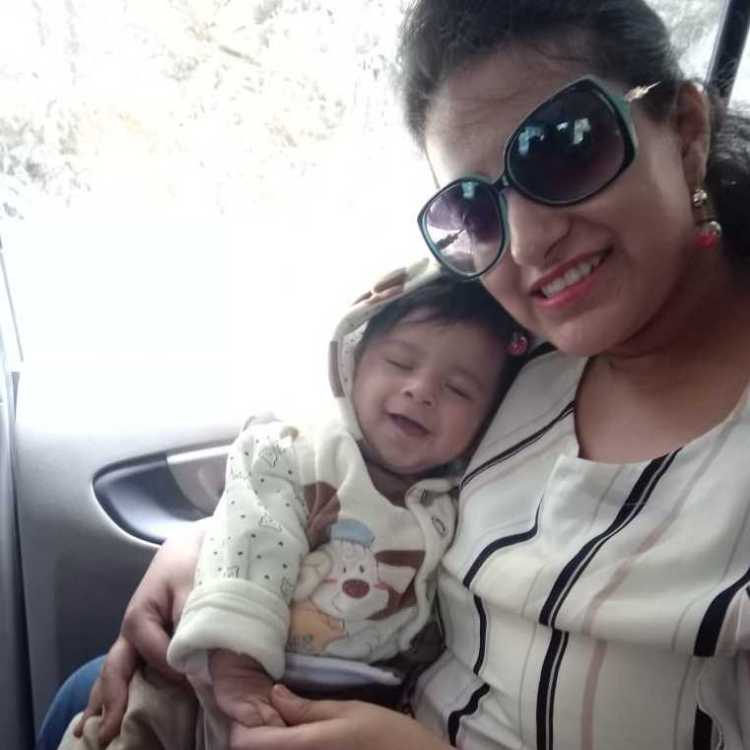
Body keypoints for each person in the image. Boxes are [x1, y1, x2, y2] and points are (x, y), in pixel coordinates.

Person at [40, 0, 750, 747]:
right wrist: (216, 551)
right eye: (475, 210)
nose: (526, 242)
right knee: (90, 699)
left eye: (563, 149)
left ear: (685, 132)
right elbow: (362, 476)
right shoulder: (516, 350)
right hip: (344, 695)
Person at [55, 260, 526, 750]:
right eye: (400, 363)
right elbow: (251, 544)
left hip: (355, 698)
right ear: (353, 361)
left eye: (458, 389)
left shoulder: (456, 501)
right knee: (125, 726)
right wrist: (236, 666)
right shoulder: (296, 454)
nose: (422, 390)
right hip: (217, 665)